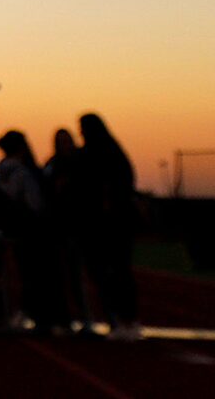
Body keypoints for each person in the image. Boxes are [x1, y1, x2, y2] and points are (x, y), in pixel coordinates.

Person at [0, 129, 69, 333]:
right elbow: (34, 203)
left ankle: (36, 314)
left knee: (29, 274)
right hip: (32, 230)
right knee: (41, 274)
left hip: (17, 229)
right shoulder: (21, 171)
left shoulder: (2, 171)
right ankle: (46, 317)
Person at [76, 111, 142, 340]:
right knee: (109, 274)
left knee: (117, 273)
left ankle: (127, 320)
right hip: (102, 224)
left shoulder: (105, 153)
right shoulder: (104, 151)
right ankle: (120, 319)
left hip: (111, 224)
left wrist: (108, 203)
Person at [44, 126, 92, 328]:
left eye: (66, 141)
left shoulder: (81, 163)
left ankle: (86, 317)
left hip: (79, 226)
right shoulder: (52, 165)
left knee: (79, 275)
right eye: (60, 142)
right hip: (59, 227)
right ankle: (66, 316)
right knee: (63, 276)